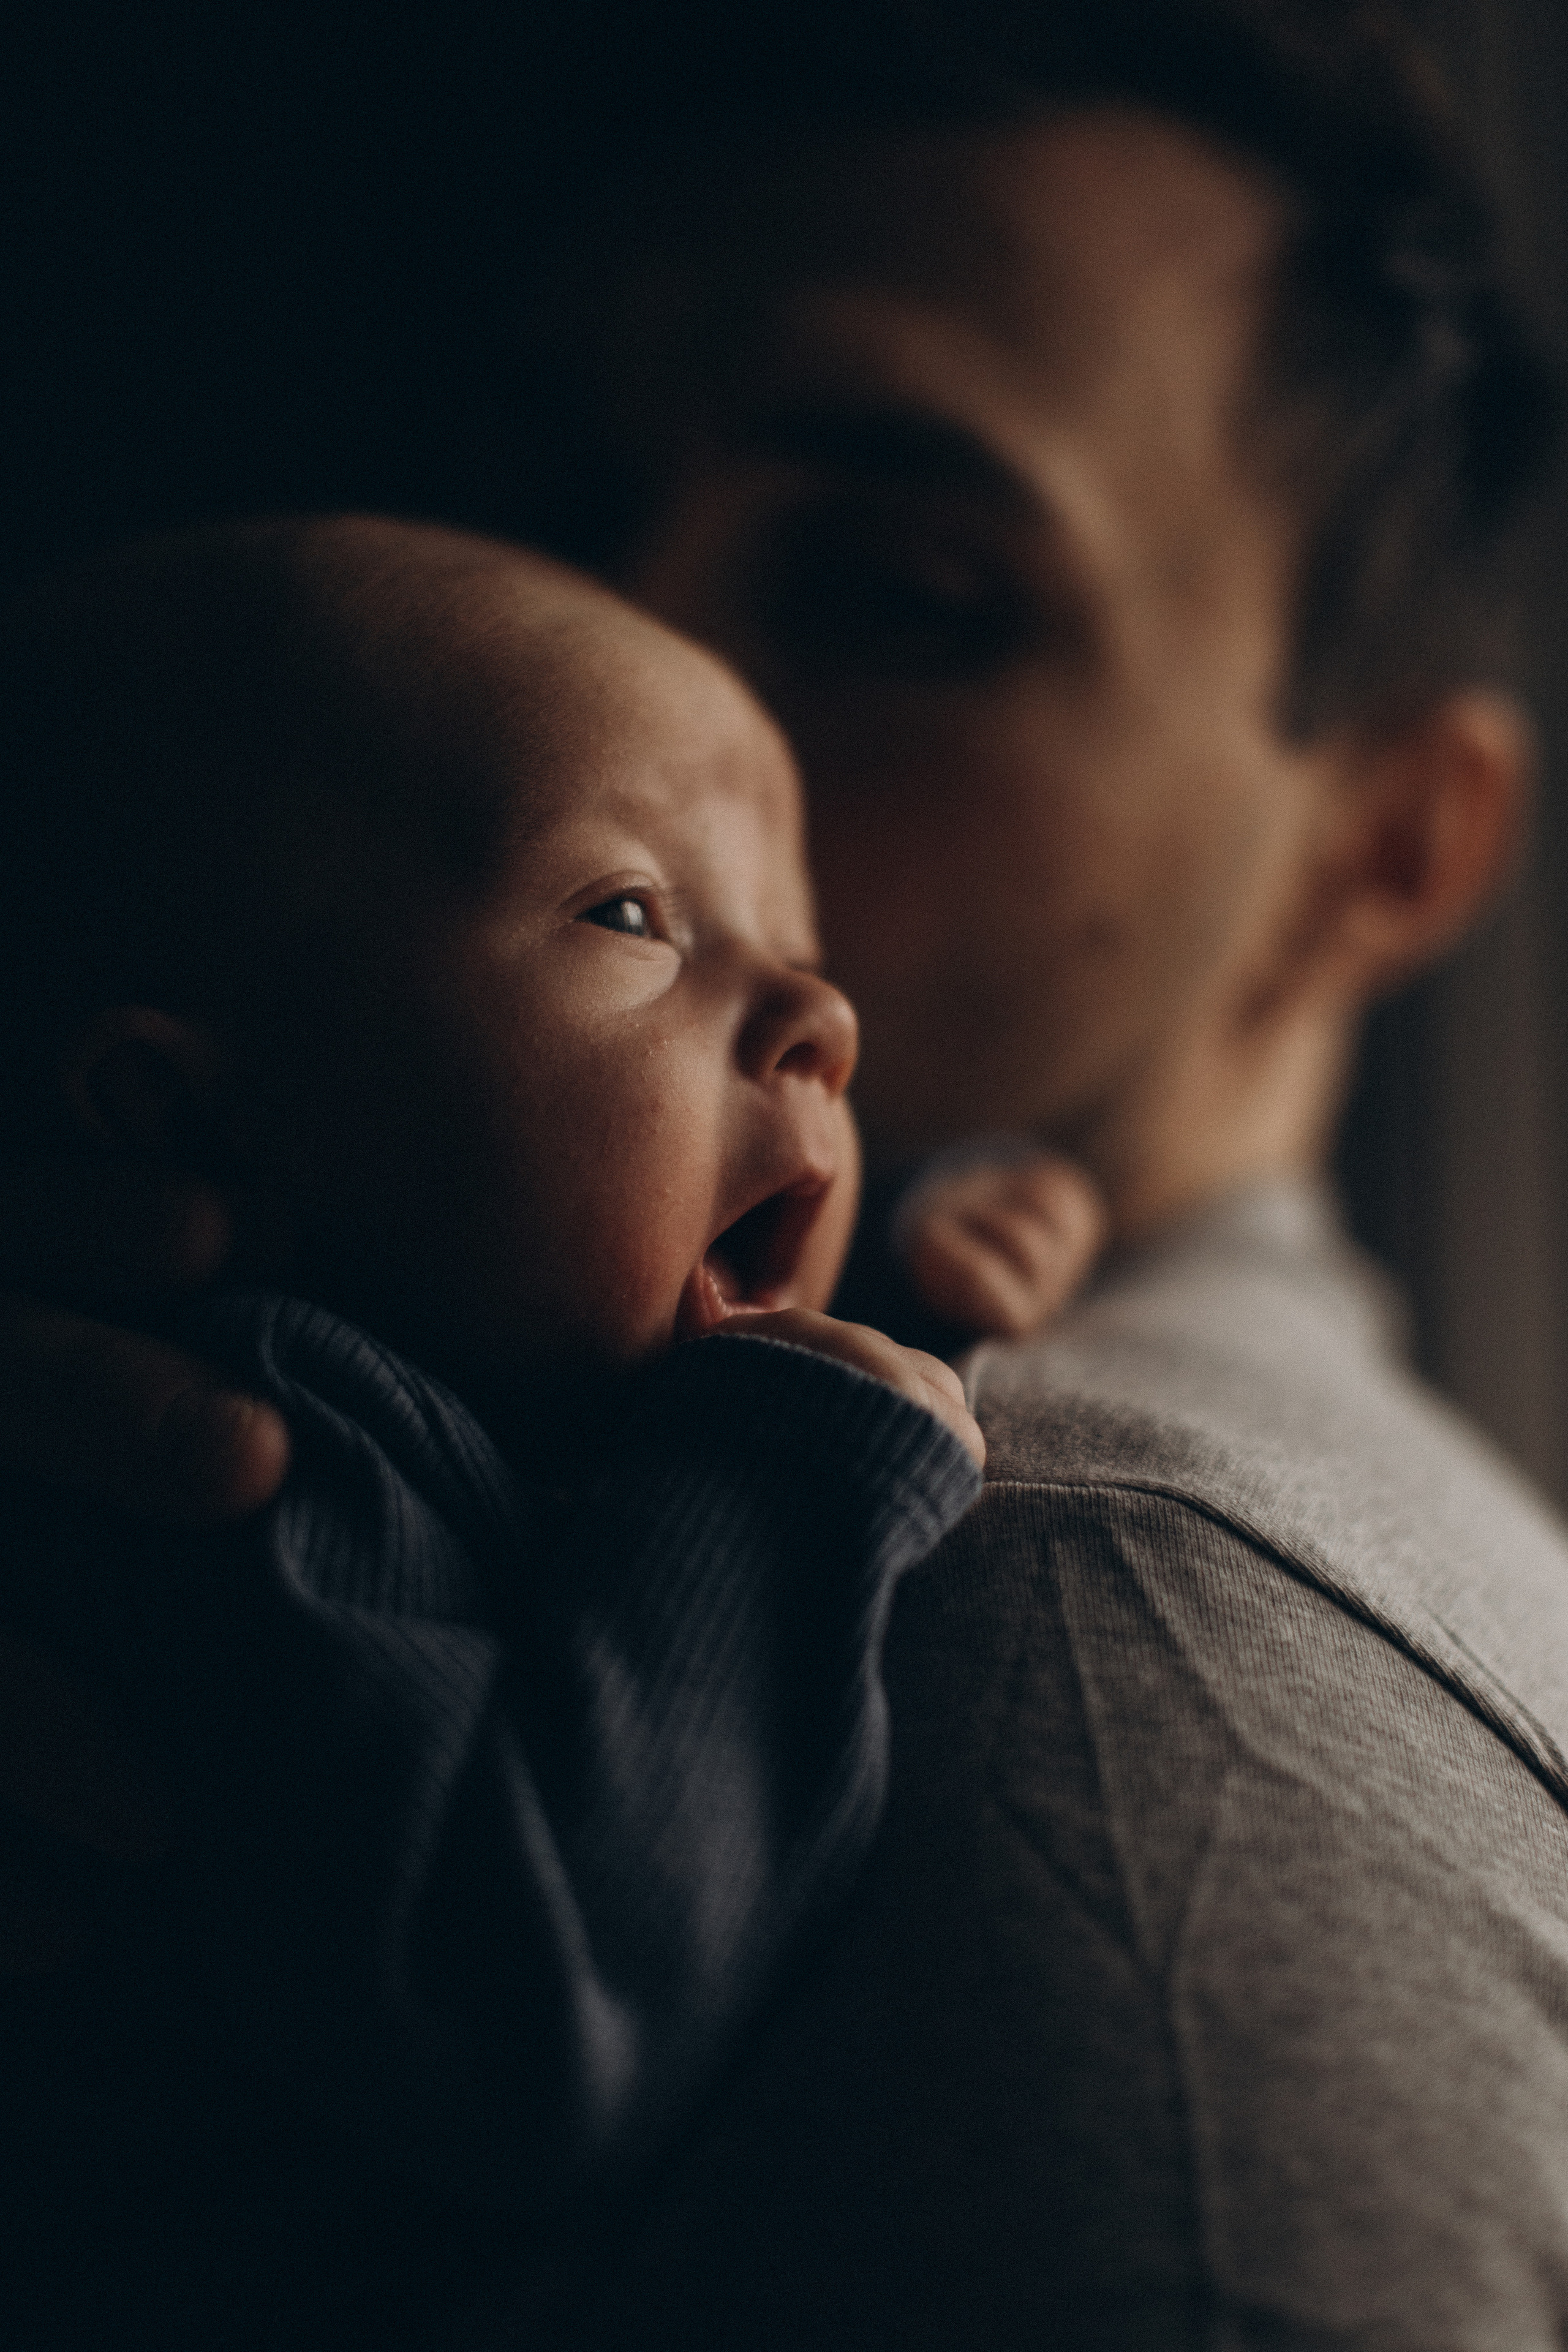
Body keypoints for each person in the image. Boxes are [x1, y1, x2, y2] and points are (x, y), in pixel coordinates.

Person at [2, 0, 1567, 2342]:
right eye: (529, 510)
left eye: (906, 591)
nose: (636, 656)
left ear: (1386, 849)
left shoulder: (1064, 1618)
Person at [0, 512, 997, 2350]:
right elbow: (527, 2026)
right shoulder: (270, 1450)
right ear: (194, 1127)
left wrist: (954, 1252)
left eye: (800, 950)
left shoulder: (486, 1382)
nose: (822, 1021)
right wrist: (782, 1478)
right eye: (634, 913)